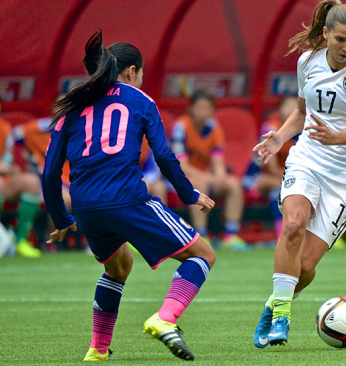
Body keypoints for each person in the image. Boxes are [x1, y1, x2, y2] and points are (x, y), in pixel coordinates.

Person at [42, 30, 216, 361]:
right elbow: (163, 156)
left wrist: (63, 218)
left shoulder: (74, 105)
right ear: (132, 71)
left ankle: (98, 349)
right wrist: (189, 193)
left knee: (118, 267)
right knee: (203, 256)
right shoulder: (140, 100)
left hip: (85, 206)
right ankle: (165, 319)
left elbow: (50, 172)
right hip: (128, 199)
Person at [252, 0, 346, 347]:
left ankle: (272, 305)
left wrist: (336, 137)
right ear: (325, 34)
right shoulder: (307, 61)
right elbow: (302, 111)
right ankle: (282, 316)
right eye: (341, 39)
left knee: (307, 265)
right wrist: (280, 137)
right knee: (293, 225)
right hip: (307, 159)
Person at [172, 90, 247, 250]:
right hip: (180, 178)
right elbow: (182, 166)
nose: (203, 112)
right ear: (191, 109)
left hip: (206, 176)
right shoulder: (181, 126)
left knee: (233, 184)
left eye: (207, 108)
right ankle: (202, 235)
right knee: (198, 186)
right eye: (199, 108)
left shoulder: (213, 127)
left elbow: (218, 159)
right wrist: (209, 178)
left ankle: (230, 235)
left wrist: (220, 176)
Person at [243, 96, 299, 241]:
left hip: (282, 179)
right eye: (287, 106)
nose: (291, 111)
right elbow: (271, 167)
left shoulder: (303, 130)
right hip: (256, 178)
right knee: (284, 188)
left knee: (281, 190)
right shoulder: (271, 129)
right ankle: (283, 233)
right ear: (279, 110)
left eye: (295, 107)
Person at [0, 115, 42, 257]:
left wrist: (10, 168)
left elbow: (7, 162)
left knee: (32, 182)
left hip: (3, 178)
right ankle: (3, 239)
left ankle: (20, 240)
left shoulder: (5, 129)